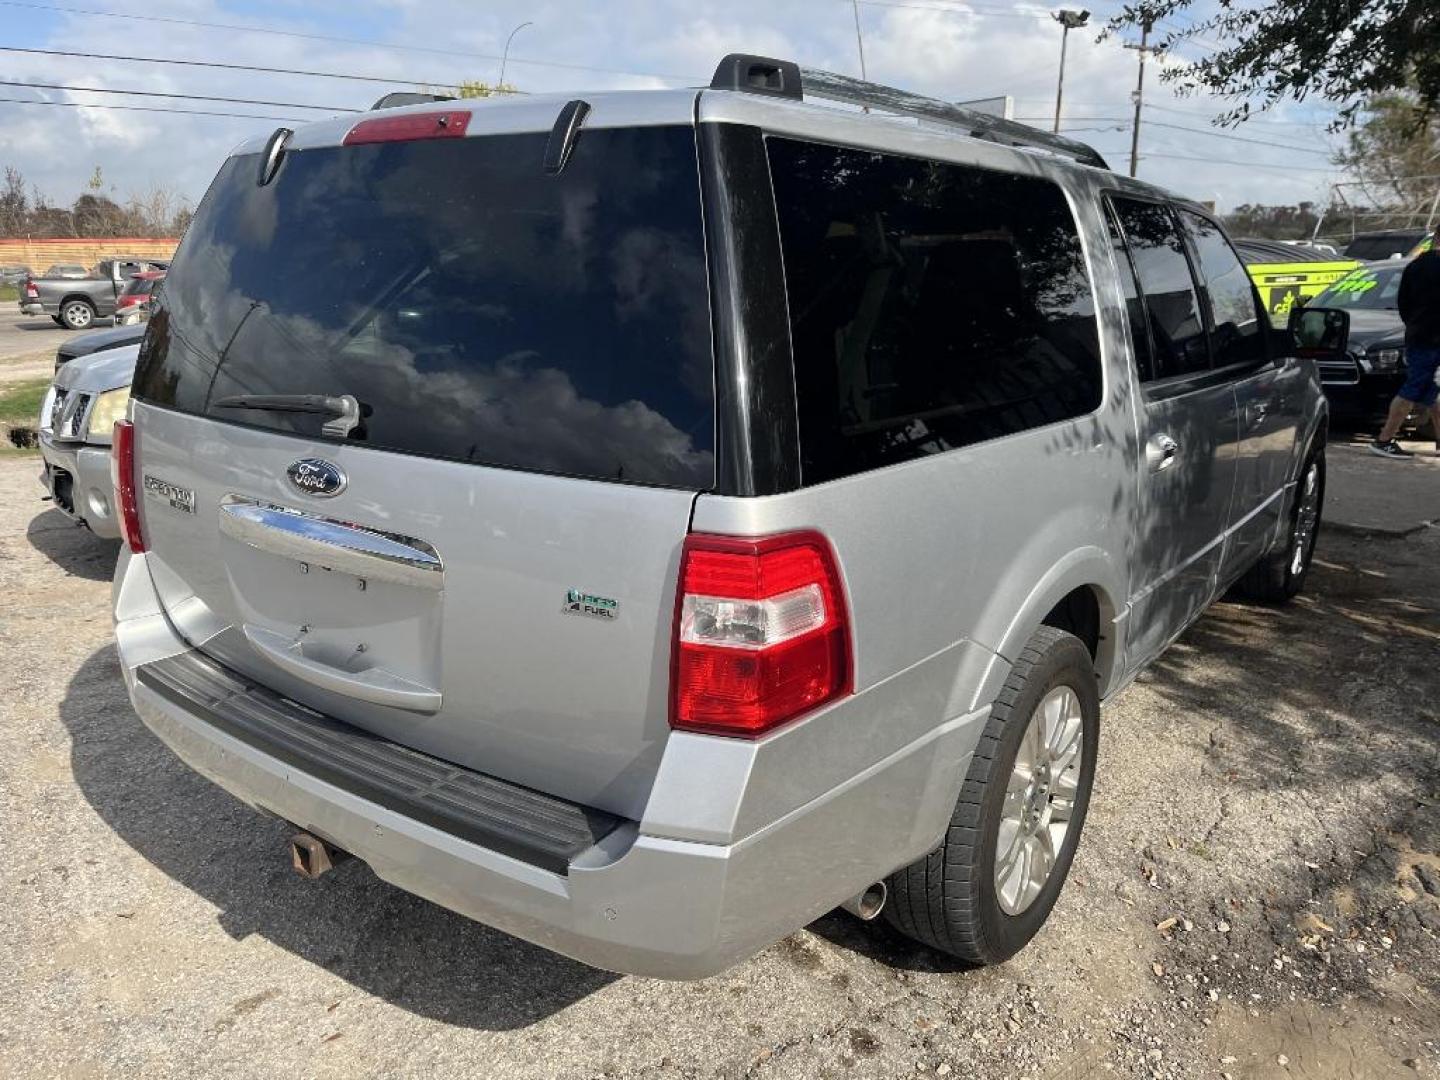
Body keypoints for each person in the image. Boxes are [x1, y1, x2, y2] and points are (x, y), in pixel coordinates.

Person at [1372, 231, 1440, 458]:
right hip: (1433, 340)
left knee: (1432, 391)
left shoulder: (1415, 267)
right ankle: (1384, 439)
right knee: (1413, 389)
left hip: (1418, 336)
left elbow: (1404, 303)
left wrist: (1415, 324)